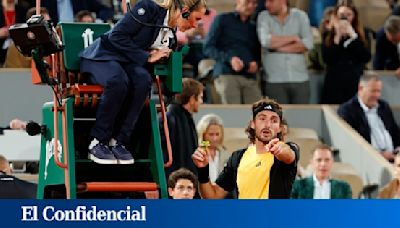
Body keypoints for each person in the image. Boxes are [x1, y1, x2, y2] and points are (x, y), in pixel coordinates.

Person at [80, 0, 207, 165]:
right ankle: (98, 141)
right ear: (184, 11)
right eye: (196, 19)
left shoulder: (170, 32)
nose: (196, 25)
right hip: (102, 56)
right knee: (118, 81)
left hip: (126, 63)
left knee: (143, 81)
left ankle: (119, 141)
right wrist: (147, 56)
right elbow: (116, 36)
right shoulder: (147, 8)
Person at [192, 98, 299, 199]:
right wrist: (203, 170)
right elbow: (213, 196)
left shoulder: (288, 150)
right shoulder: (237, 157)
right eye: (262, 118)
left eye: (274, 120)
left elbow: (289, 155)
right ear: (253, 124)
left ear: (280, 128)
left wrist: (280, 149)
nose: (267, 125)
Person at [203, 0, 262, 104]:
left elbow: (257, 52)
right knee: (233, 111)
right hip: (226, 73)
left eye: (254, 3)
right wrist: (230, 59)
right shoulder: (222, 19)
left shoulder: (253, 27)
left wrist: (256, 63)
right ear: (238, 1)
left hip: (249, 76)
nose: (251, 6)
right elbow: (208, 47)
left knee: (257, 110)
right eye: (248, 2)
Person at [257, 0, 313, 104]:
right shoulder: (263, 17)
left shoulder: (300, 16)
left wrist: (276, 48)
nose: (267, 4)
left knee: (302, 116)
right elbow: (266, 41)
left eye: (271, 1)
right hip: (274, 80)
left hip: (300, 79)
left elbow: (308, 43)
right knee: (277, 117)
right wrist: (293, 38)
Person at [338, 72, 400, 162]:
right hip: (371, 161)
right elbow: (352, 144)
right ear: (360, 88)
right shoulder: (348, 110)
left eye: (379, 91)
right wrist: (379, 155)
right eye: (373, 91)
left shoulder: (383, 106)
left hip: (394, 158)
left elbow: (395, 132)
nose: (377, 95)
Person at [320, 1, 371, 104]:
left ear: (354, 16)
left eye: (348, 15)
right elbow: (327, 59)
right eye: (342, 15)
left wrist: (353, 35)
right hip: (333, 83)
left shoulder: (363, 33)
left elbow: (366, 57)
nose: (345, 18)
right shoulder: (328, 34)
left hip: (354, 82)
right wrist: (337, 37)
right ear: (336, 16)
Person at [162, 78, 204, 177]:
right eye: (201, 97)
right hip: (175, 182)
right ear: (192, 98)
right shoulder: (170, 119)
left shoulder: (185, 118)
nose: (202, 102)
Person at [196, 113, 230, 183]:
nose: (215, 138)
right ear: (203, 134)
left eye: (217, 134)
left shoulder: (226, 154)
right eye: (211, 134)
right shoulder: (197, 154)